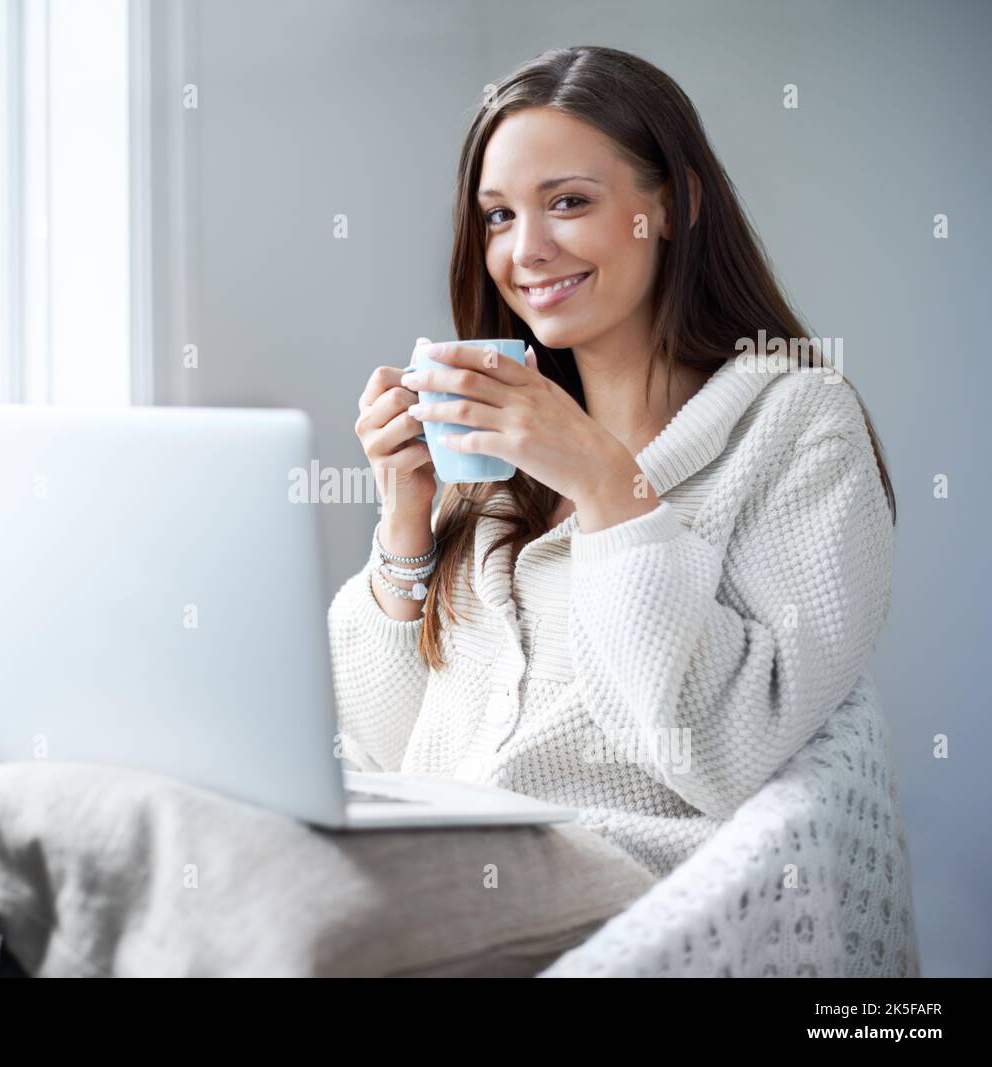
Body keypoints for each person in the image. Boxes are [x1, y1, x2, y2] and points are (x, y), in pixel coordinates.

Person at [331, 45, 896, 881]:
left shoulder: (798, 427)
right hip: (430, 864)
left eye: (567, 202)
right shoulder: (493, 462)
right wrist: (406, 522)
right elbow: (379, 757)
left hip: (617, 883)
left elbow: (721, 752)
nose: (525, 250)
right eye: (497, 216)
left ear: (673, 206)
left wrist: (606, 485)